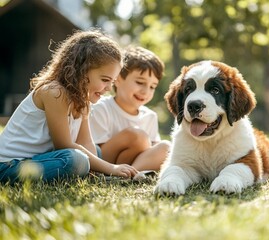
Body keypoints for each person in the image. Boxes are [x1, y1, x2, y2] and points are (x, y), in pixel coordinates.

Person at [0, 30, 138, 183]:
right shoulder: (54, 92)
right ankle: (84, 171)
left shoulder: (83, 99)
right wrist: (110, 168)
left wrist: (98, 171)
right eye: (105, 79)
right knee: (76, 160)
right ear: (81, 71)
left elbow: (85, 142)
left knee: (94, 153)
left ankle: (90, 175)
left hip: (41, 159)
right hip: (9, 166)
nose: (108, 88)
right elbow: (63, 145)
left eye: (112, 82)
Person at [89, 46, 170, 172]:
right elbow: (95, 151)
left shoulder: (150, 116)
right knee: (138, 137)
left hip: (134, 164)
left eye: (152, 86)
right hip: (105, 164)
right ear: (118, 79)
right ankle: (118, 174)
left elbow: (154, 151)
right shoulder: (101, 108)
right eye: (140, 82)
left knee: (166, 146)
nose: (145, 91)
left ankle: (131, 174)